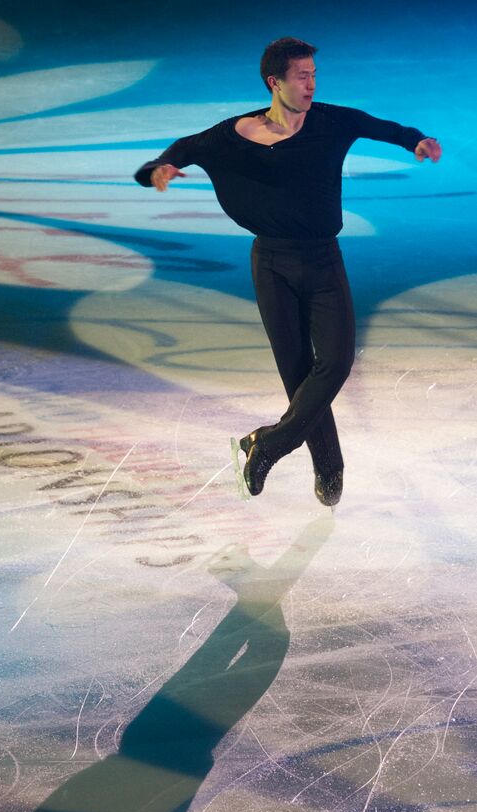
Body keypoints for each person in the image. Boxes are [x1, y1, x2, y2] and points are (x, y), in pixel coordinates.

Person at [134, 37, 441, 505]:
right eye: (302, 75)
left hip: (322, 260)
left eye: (314, 74)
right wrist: (159, 168)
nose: (311, 84)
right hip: (272, 263)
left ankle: (269, 443)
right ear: (274, 82)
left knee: (335, 363)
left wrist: (414, 140)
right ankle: (330, 467)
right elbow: (183, 148)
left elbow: (380, 126)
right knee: (298, 375)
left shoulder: (330, 121)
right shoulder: (233, 135)